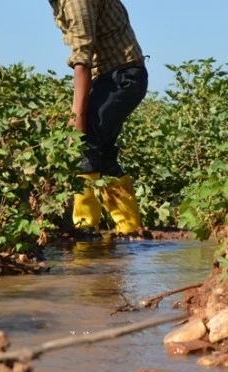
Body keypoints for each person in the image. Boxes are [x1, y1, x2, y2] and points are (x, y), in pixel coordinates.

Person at [48, 0, 148, 235]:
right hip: (117, 76)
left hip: (121, 77)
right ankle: (130, 228)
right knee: (101, 153)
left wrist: (78, 116)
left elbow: (82, 58)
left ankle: (84, 228)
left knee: (85, 142)